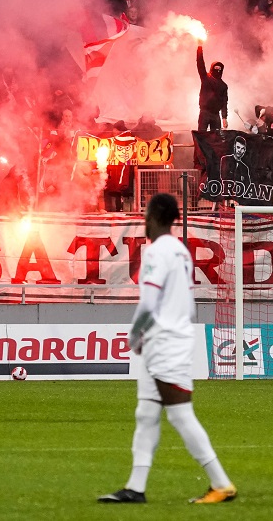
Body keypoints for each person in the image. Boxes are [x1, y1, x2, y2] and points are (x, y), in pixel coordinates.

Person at [99, 193, 237, 504]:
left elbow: (149, 302)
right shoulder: (180, 251)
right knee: (146, 413)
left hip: (163, 341)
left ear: (157, 216)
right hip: (171, 337)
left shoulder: (157, 251)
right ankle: (135, 487)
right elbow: (185, 303)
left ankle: (221, 483)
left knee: (179, 415)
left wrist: (135, 335)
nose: (144, 220)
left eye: (147, 214)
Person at [196, 45, 228, 132]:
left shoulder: (223, 85)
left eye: (219, 68)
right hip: (205, 112)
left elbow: (224, 102)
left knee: (216, 137)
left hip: (216, 115)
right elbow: (200, 64)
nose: (217, 70)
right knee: (202, 135)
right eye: (215, 68)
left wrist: (224, 117)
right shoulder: (206, 78)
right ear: (212, 68)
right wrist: (199, 48)